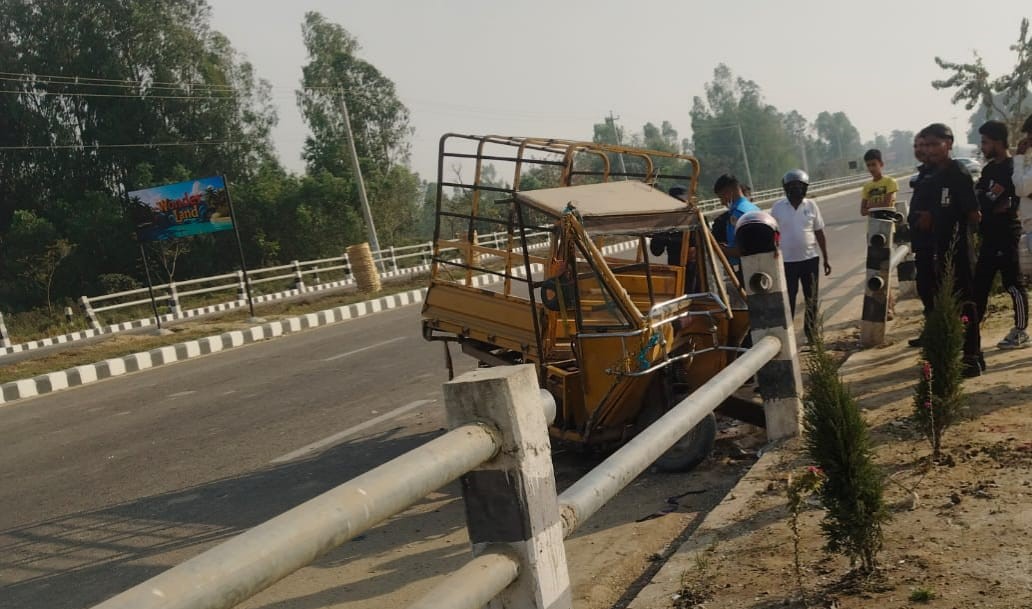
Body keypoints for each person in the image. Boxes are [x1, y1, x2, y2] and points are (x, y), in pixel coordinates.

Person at [908, 123, 983, 376]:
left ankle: (972, 357)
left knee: (965, 303)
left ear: (948, 144)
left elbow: (973, 214)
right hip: (938, 249)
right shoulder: (934, 175)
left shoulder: (957, 173)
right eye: (926, 145)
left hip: (958, 248)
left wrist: (944, 220)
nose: (929, 150)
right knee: (946, 302)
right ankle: (961, 354)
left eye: (934, 144)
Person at [972, 120, 1028, 349]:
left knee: (1013, 284)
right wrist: (991, 202)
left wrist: (1002, 202)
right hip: (989, 236)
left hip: (1007, 234)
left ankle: (1021, 331)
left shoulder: (1012, 168)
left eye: (985, 142)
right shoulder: (989, 170)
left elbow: (1014, 199)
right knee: (979, 286)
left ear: (997, 142)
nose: (982, 146)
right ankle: (971, 332)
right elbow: (981, 199)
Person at [769, 169, 830, 346]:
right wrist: (773, 250)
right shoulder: (778, 207)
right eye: (792, 186)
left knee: (812, 298)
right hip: (787, 262)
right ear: (786, 188)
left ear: (805, 188)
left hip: (810, 259)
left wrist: (826, 258)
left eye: (800, 186)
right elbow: (772, 232)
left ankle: (811, 334)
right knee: (789, 298)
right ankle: (787, 335)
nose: (796, 189)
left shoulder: (811, 205)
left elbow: (819, 232)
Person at [713, 174, 760, 271]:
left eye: (721, 197)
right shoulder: (753, 208)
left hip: (746, 267)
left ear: (729, 192)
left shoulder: (738, 214)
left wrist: (720, 249)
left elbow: (745, 249)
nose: (722, 202)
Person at [650, 185, 689, 265]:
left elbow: (709, 246)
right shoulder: (664, 224)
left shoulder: (697, 220)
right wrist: (661, 235)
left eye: (681, 202)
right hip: (675, 268)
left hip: (698, 268)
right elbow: (656, 251)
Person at [860, 149, 898, 217]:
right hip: (873, 222)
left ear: (881, 164)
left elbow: (887, 205)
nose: (871, 169)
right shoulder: (867, 186)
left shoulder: (890, 181)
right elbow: (862, 211)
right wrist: (878, 206)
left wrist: (870, 206)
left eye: (874, 164)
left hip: (888, 221)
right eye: (868, 165)